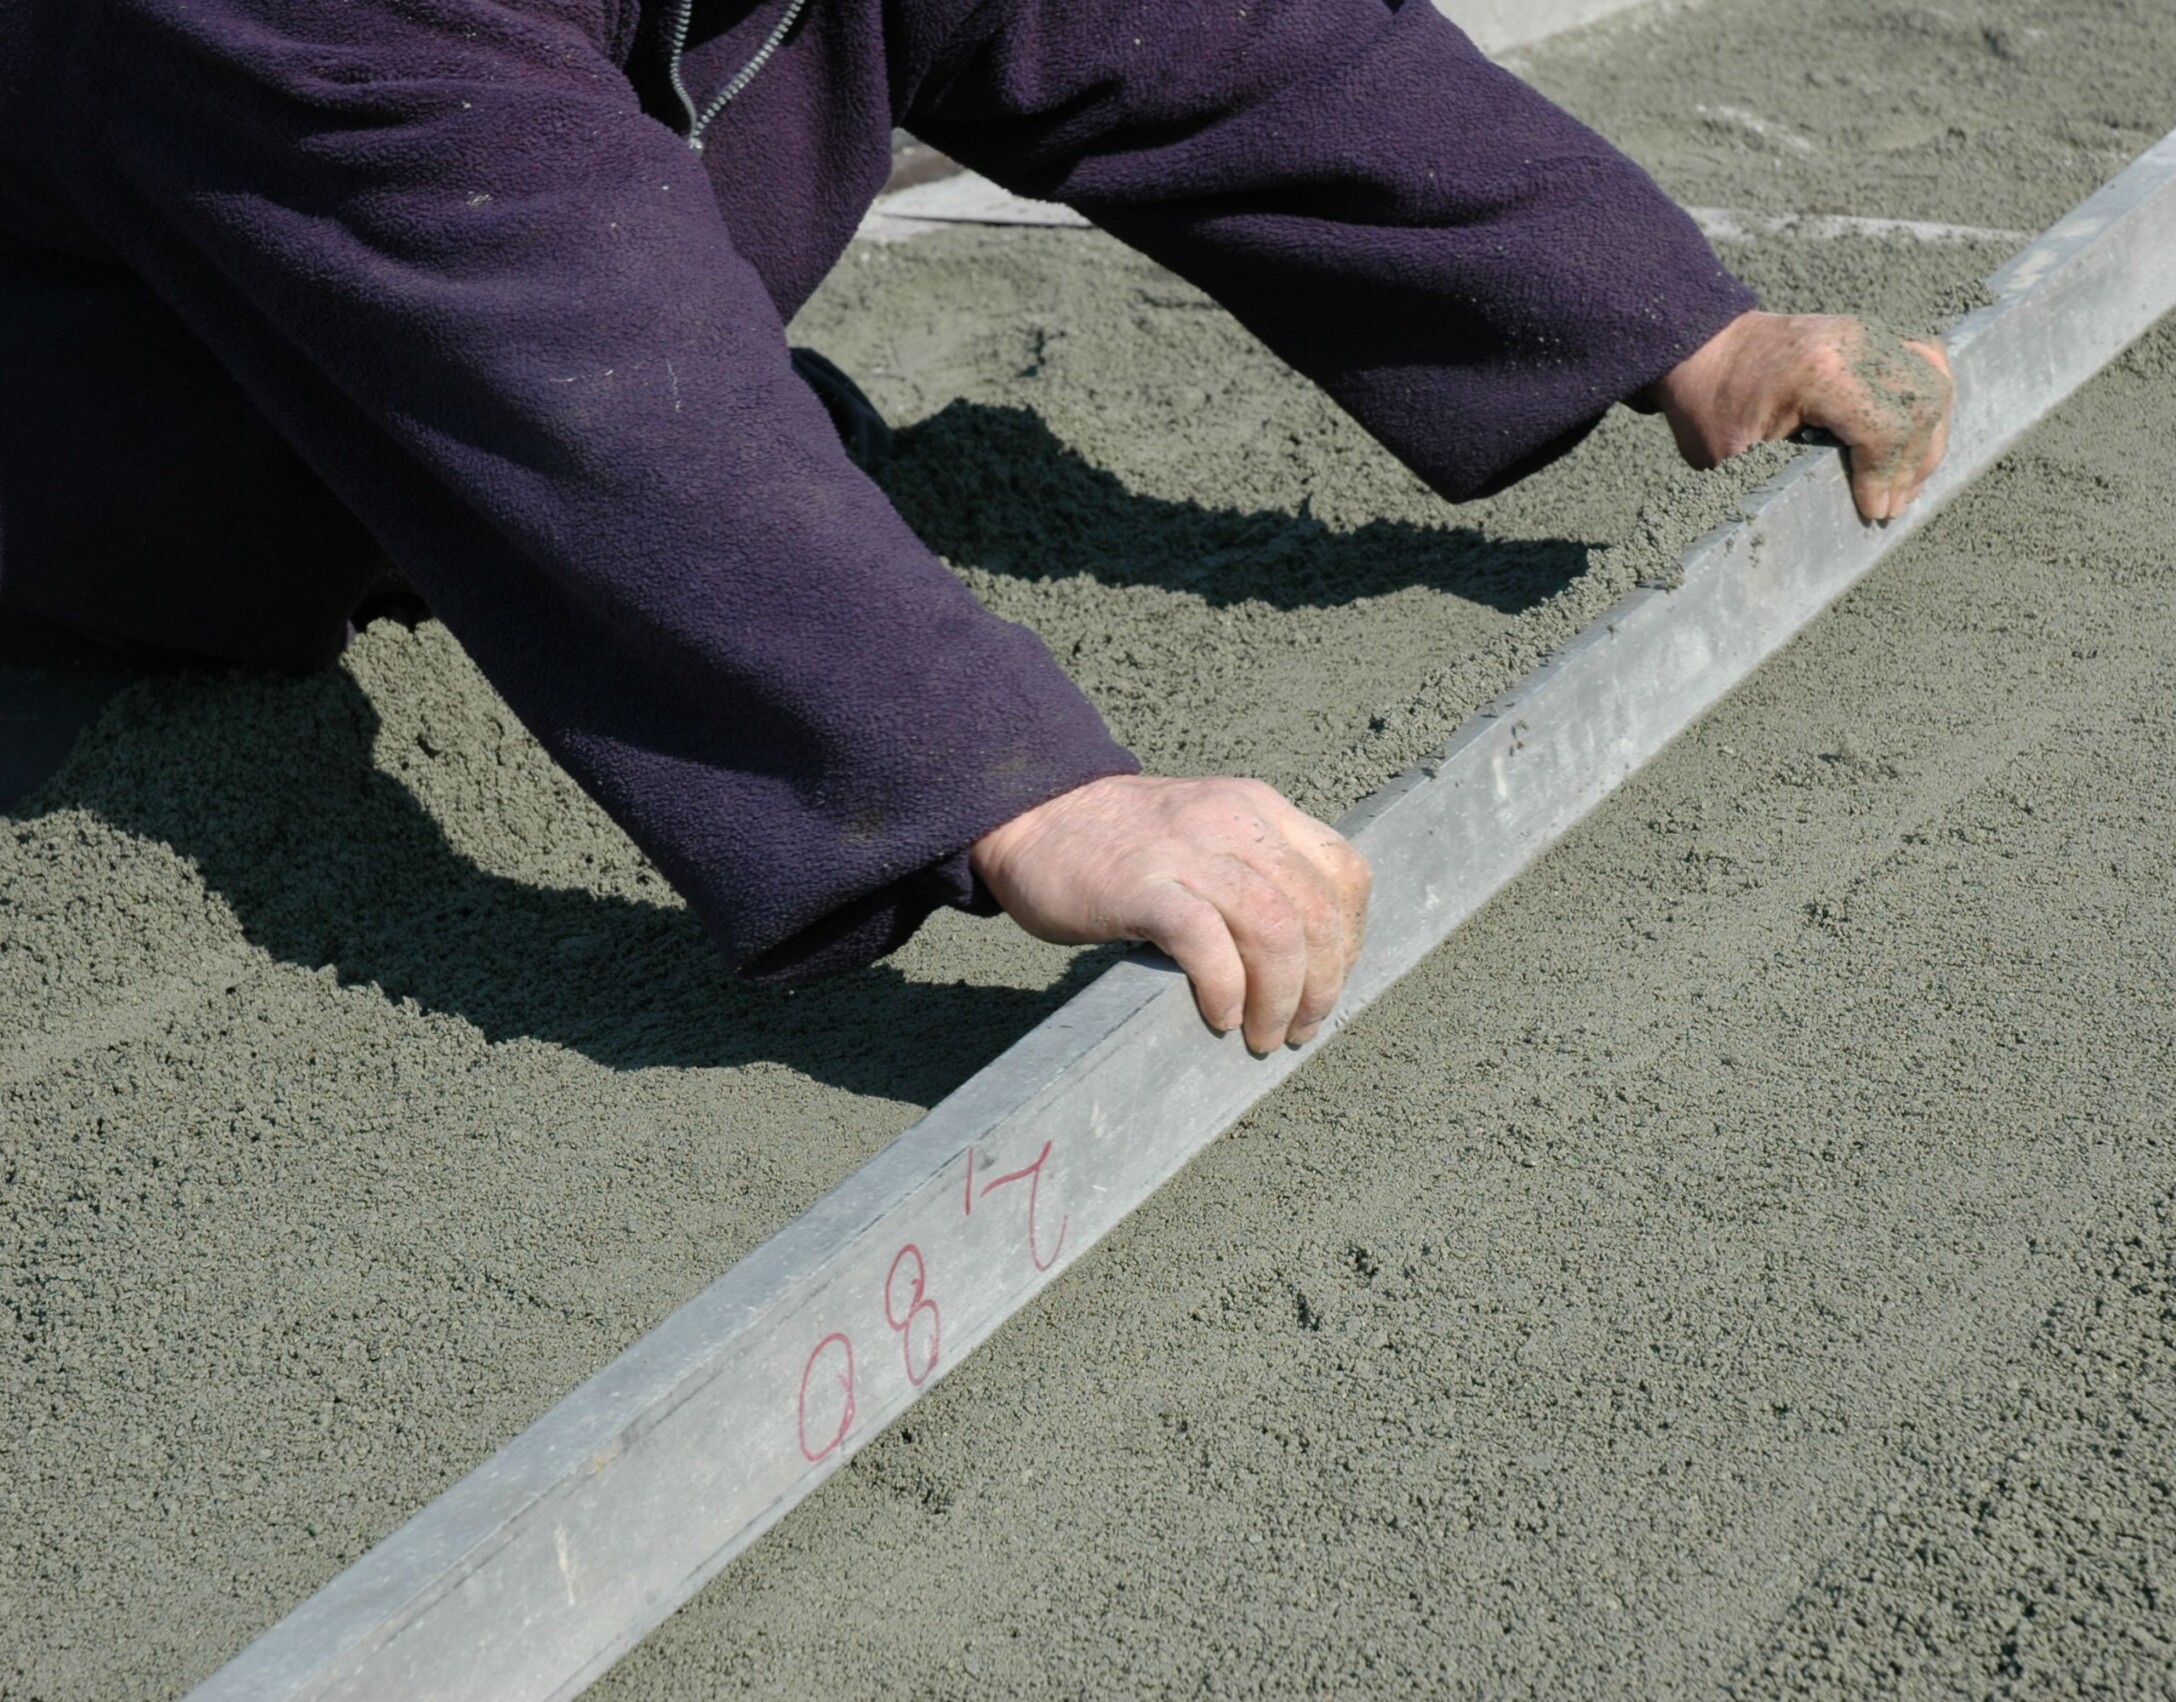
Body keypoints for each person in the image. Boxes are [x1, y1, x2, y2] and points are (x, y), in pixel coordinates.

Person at [0, 0, 1952, 1056]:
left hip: (501, 317)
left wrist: (1656, 317)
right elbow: (554, 327)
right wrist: (1020, 789)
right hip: (151, 492)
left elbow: (1204, 31)